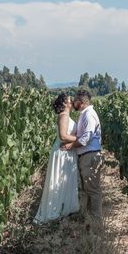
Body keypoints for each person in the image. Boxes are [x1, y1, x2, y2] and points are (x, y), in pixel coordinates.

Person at [33, 94, 80, 224]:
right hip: (62, 152)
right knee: (59, 181)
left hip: (68, 152)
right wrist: (81, 139)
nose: (73, 102)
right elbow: (63, 136)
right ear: (65, 104)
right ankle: (55, 211)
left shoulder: (67, 116)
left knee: (65, 181)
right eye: (70, 100)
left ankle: (63, 209)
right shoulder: (63, 116)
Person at [61, 89, 103, 225]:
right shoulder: (84, 114)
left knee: (93, 190)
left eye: (76, 101)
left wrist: (71, 145)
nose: (74, 104)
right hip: (86, 156)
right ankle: (87, 219)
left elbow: (85, 139)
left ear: (82, 102)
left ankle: (96, 223)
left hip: (90, 156)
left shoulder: (89, 115)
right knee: (87, 190)